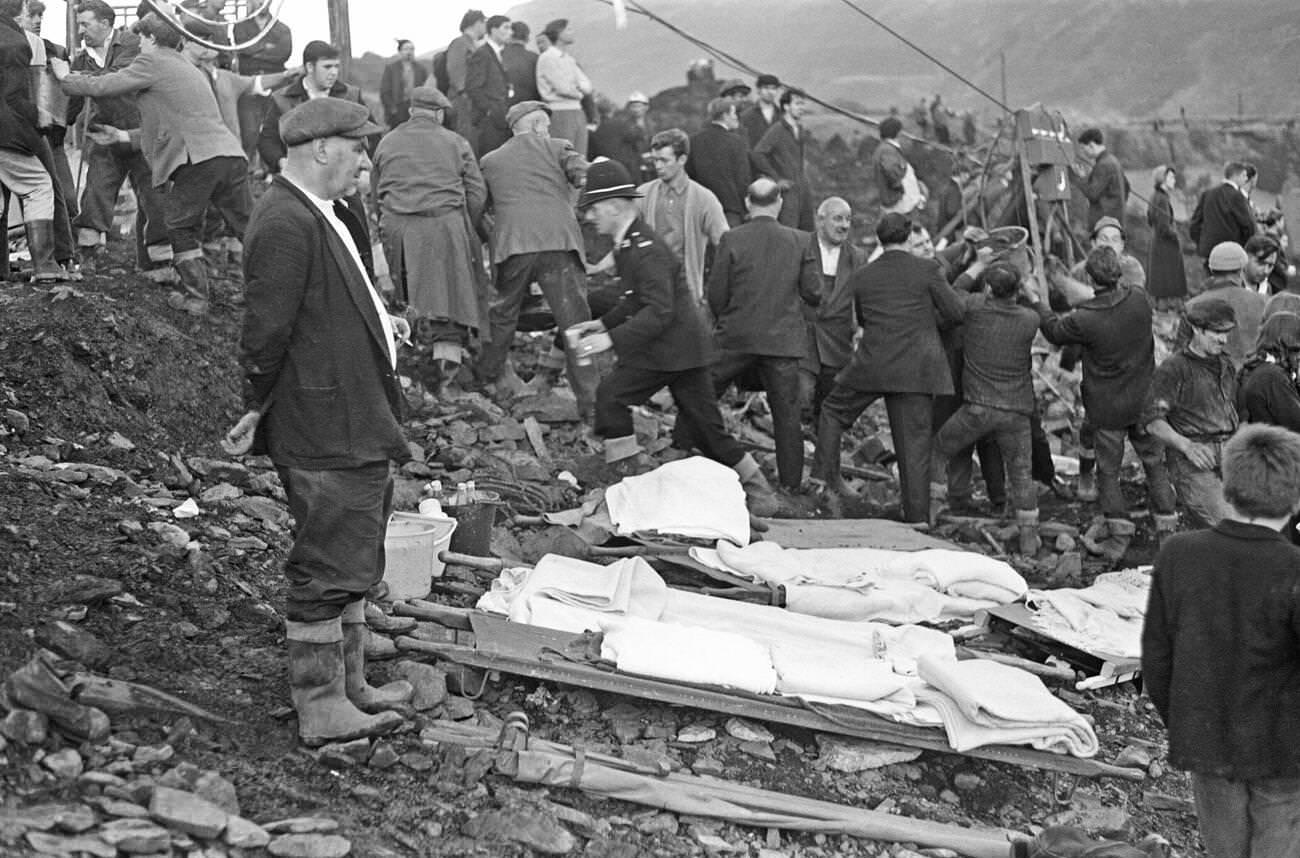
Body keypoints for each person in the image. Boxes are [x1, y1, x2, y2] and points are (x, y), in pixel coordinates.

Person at [223, 97, 413, 747]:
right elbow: (264, 330)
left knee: (356, 549)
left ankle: (351, 682)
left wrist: (385, 327)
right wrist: (255, 400)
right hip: (323, 418)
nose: (365, 158)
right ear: (321, 149)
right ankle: (320, 699)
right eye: (358, 147)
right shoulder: (283, 221)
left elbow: (336, 301)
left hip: (354, 412)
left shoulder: (328, 211)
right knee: (326, 558)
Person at [568, 159, 778, 513]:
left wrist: (611, 340)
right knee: (706, 427)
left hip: (673, 349)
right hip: (679, 349)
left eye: (595, 208)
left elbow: (658, 311)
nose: (590, 217)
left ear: (616, 207)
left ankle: (625, 480)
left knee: (612, 395)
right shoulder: (630, 243)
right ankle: (759, 492)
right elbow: (634, 300)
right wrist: (602, 325)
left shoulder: (645, 249)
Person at [1142, 422, 1300, 858]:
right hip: (1285, 751)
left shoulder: (1179, 554)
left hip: (1208, 740)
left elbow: (1157, 659)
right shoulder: (1293, 568)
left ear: (1226, 488)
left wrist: (1184, 721)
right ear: (1296, 499)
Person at [54, 11, 251, 315]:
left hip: (198, 159)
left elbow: (104, 86)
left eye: (141, 38)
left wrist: (65, 77)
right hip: (230, 155)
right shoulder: (186, 65)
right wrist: (122, 137)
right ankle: (265, 291)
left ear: (151, 38)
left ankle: (197, 297)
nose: (138, 44)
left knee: (179, 225)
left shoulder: (153, 60)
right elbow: (166, 123)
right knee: (247, 227)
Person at [815, 213, 966, 525]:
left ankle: (823, 484)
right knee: (914, 446)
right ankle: (917, 520)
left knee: (832, 412)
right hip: (917, 368)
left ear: (881, 240)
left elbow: (865, 319)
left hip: (873, 364)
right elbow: (957, 312)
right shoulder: (927, 269)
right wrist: (927, 325)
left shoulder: (864, 275)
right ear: (908, 237)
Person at [679, 178, 818, 493]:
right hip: (783, 341)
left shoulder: (732, 239)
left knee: (701, 393)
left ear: (746, 203)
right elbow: (814, 292)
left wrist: (732, 319)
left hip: (736, 337)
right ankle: (790, 488)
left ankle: (678, 455)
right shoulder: (801, 241)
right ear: (779, 202)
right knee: (787, 416)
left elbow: (716, 295)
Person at [1038, 246, 1177, 557]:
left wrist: (1038, 299)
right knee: (1156, 467)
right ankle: (1167, 530)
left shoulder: (1084, 319)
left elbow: (1053, 331)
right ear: (1119, 274)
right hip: (1145, 402)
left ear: (1090, 277)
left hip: (1107, 408)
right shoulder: (1141, 300)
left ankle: (1119, 534)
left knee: (1108, 472)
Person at [475, 100, 597, 411]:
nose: (549, 130)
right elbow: (584, 174)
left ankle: (489, 380)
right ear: (538, 126)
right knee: (577, 321)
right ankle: (591, 395)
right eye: (546, 125)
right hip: (559, 241)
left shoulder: (490, 161)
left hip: (512, 245)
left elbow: (476, 207)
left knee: (502, 315)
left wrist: (494, 235)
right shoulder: (559, 147)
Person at [372, 86, 486, 391]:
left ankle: (406, 373)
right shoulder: (455, 141)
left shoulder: (386, 142)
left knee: (407, 298)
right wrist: (466, 228)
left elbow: (375, 193)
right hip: (442, 226)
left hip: (397, 229)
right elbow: (477, 193)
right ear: (438, 113)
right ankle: (445, 378)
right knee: (450, 302)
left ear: (411, 111)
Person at [931, 263, 1043, 555]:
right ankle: (1029, 539)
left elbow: (954, 292)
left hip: (978, 408)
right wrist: (1032, 293)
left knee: (940, 449)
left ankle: (930, 513)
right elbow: (1041, 312)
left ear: (989, 289)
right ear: (1016, 291)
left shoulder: (975, 309)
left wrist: (978, 262)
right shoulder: (1029, 319)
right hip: (1017, 412)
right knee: (1021, 475)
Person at [63, 0, 171, 277]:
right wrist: (62, 123)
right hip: (104, 134)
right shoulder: (81, 59)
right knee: (95, 193)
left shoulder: (133, 44)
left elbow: (114, 79)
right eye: (79, 25)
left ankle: (159, 262)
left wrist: (74, 77)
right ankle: (88, 258)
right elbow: (74, 100)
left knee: (154, 196)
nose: (82, 30)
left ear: (106, 23)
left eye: (86, 24)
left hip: (139, 132)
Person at [1145, 298, 1239, 528]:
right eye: (1216, 333)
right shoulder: (1174, 369)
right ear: (1197, 329)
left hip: (1229, 454)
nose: (1223, 339)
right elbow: (1151, 421)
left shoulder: (1226, 364)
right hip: (1194, 460)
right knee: (1230, 525)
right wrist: (1186, 445)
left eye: (1226, 332)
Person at [0, 0, 64, 282]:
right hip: (5, 131)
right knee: (39, 185)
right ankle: (46, 265)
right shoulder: (15, 42)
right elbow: (13, 96)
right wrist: (38, 113)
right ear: (22, 8)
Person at [634, 128, 727, 305]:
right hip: (649, 293)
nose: (658, 166)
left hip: (687, 295)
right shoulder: (643, 194)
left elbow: (725, 244)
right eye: (655, 160)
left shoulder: (704, 199)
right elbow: (625, 239)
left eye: (664, 160)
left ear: (682, 159)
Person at [258, 41, 373, 177]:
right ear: (310, 67)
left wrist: (364, 167)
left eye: (336, 66)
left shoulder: (351, 95)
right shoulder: (282, 99)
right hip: (301, 175)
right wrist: (282, 162)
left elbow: (372, 135)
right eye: (327, 67)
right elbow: (268, 140)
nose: (334, 72)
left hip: (344, 175)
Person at [801, 197, 863, 422]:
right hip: (802, 339)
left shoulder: (857, 257)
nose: (844, 225)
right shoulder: (800, 246)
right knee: (801, 399)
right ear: (820, 220)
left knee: (828, 410)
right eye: (838, 218)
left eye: (848, 219)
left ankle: (820, 452)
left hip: (837, 344)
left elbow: (861, 299)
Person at [1182, 241, 1266, 371]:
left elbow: (1181, 355)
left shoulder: (1192, 306)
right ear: (1242, 269)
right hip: (1253, 379)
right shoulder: (1262, 302)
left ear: (1211, 270)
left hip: (1211, 381)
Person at [231, 4, 291, 165]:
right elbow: (244, 48)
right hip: (249, 84)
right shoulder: (240, 27)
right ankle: (247, 171)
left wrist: (255, 51)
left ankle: (270, 170)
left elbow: (283, 53)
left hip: (275, 84)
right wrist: (267, 47)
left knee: (274, 128)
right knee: (248, 131)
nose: (260, 2)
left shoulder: (282, 29)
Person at [752, 88, 812, 231]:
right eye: (798, 104)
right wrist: (776, 179)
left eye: (803, 104)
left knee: (806, 232)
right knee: (787, 232)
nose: (802, 108)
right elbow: (757, 154)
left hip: (802, 190)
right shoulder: (777, 130)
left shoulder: (800, 130)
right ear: (786, 106)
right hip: (787, 193)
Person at [686, 98, 751, 228]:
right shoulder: (736, 142)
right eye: (734, 114)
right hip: (730, 209)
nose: (736, 117)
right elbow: (742, 178)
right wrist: (747, 208)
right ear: (725, 115)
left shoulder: (693, 141)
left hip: (701, 207)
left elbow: (689, 175)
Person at [535, 18, 591, 154]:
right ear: (559, 34)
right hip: (560, 112)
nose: (572, 32)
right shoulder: (547, 58)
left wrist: (576, 88)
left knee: (579, 156)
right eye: (568, 29)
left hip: (577, 111)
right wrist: (578, 91)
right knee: (564, 155)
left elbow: (587, 86)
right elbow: (563, 88)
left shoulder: (569, 59)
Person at [1190, 162, 1257, 264]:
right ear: (1235, 176)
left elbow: (1194, 224)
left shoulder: (1208, 194)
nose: (1246, 178)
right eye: (1244, 175)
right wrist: (1242, 247)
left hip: (1209, 252)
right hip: (1230, 254)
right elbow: (1248, 226)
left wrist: (1201, 242)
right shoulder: (1237, 197)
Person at [464, 14, 511, 157]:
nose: (510, 32)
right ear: (493, 30)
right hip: (489, 121)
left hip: (499, 118)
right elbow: (472, 86)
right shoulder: (483, 53)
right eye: (506, 28)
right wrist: (489, 110)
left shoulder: (497, 53)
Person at [1146, 164, 1186, 306]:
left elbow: (1150, 220)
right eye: (1170, 177)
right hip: (1165, 247)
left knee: (1161, 288)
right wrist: (1177, 237)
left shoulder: (1155, 196)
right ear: (1162, 179)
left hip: (1158, 244)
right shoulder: (1161, 199)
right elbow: (1163, 227)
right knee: (1165, 288)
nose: (1174, 180)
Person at [588, 91, 650, 183]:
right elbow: (639, 136)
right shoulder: (623, 126)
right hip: (629, 174)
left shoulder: (593, 131)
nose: (636, 109)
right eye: (633, 106)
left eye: (638, 106)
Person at [1071, 128, 1127, 229]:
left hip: (1104, 221)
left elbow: (1092, 194)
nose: (1084, 153)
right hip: (1116, 220)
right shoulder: (1113, 161)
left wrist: (1081, 178)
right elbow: (1127, 188)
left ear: (1091, 145)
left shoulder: (1103, 165)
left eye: (1084, 149)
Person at [443, 9, 484, 140]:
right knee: (465, 138)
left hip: (470, 99)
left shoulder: (473, 44)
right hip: (463, 100)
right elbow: (455, 70)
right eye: (484, 23)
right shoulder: (460, 43)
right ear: (477, 23)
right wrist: (464, 93)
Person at [872, 117, 925, 217]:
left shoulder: (887, 148)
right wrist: (901, 188)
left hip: (899, 203)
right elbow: (891, 171)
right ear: (898, 132)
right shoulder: (887, 150)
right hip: (898, 204)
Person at [379, 39, 428, 129]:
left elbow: (425, 88)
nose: (409, 52)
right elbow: (384, 91)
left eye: (412, 49)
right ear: (399, 52)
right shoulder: (391, 68)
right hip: (397, 109)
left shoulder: (421, 69)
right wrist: (392, 109)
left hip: (415, 108)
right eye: (406, 49)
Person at [739, 73, 780, 149]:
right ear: (758, 90)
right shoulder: (746, 117)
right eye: (766, 88)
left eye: (773, 88)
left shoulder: (783, 116)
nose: (770, 92)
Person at [501, 20, 538, 105]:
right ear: (527, 38)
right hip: (529, 107)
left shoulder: (497, 56)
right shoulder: (534, 58)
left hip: (503, 107)